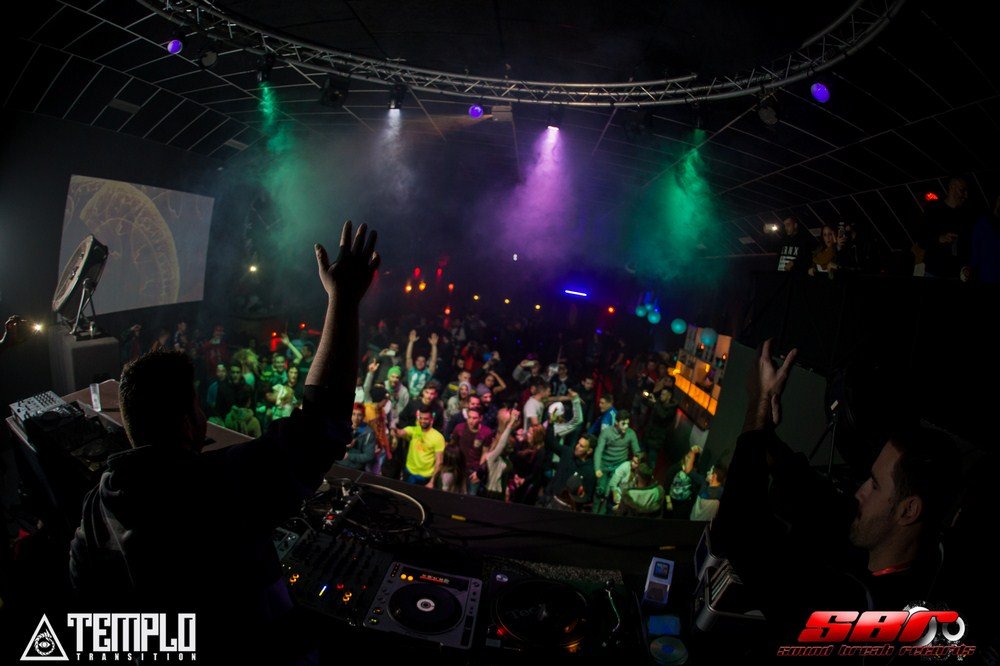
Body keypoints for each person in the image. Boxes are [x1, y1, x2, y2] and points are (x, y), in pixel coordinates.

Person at [68, 221, 379, 663]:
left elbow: (86, 598)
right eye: (198, 407)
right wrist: (342, 300)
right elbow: (321, 426)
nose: (205, 416)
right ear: (186, 423)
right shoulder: (220, 485)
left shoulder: (95, 506)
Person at [711, 340, 965, 651]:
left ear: (909, 510)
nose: (860, 491)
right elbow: (817, 494)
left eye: (874, 485)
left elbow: (737, 531)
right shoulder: (909, 554)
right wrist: (764, 431)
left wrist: (759, 401)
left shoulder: (851, 612)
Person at [396, 407, 446, 486]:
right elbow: (401, 432)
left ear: (431, 419)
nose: (422, 421)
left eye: (426, 419)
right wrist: (393, 429)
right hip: (409, 472)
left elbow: (439, 462)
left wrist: (432, 482)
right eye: (421, 418)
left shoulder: (438, 437)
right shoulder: (414, 430)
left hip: (424, 477)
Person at [340, 403, 375, 471]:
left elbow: (369, 456)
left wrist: (349, 456)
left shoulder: (368, 433)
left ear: (363, 416)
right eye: (353, 414)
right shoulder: (342, 425)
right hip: (337, 463)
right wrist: (344, 444)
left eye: (359, 415)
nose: (356, 418)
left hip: (355, 468)